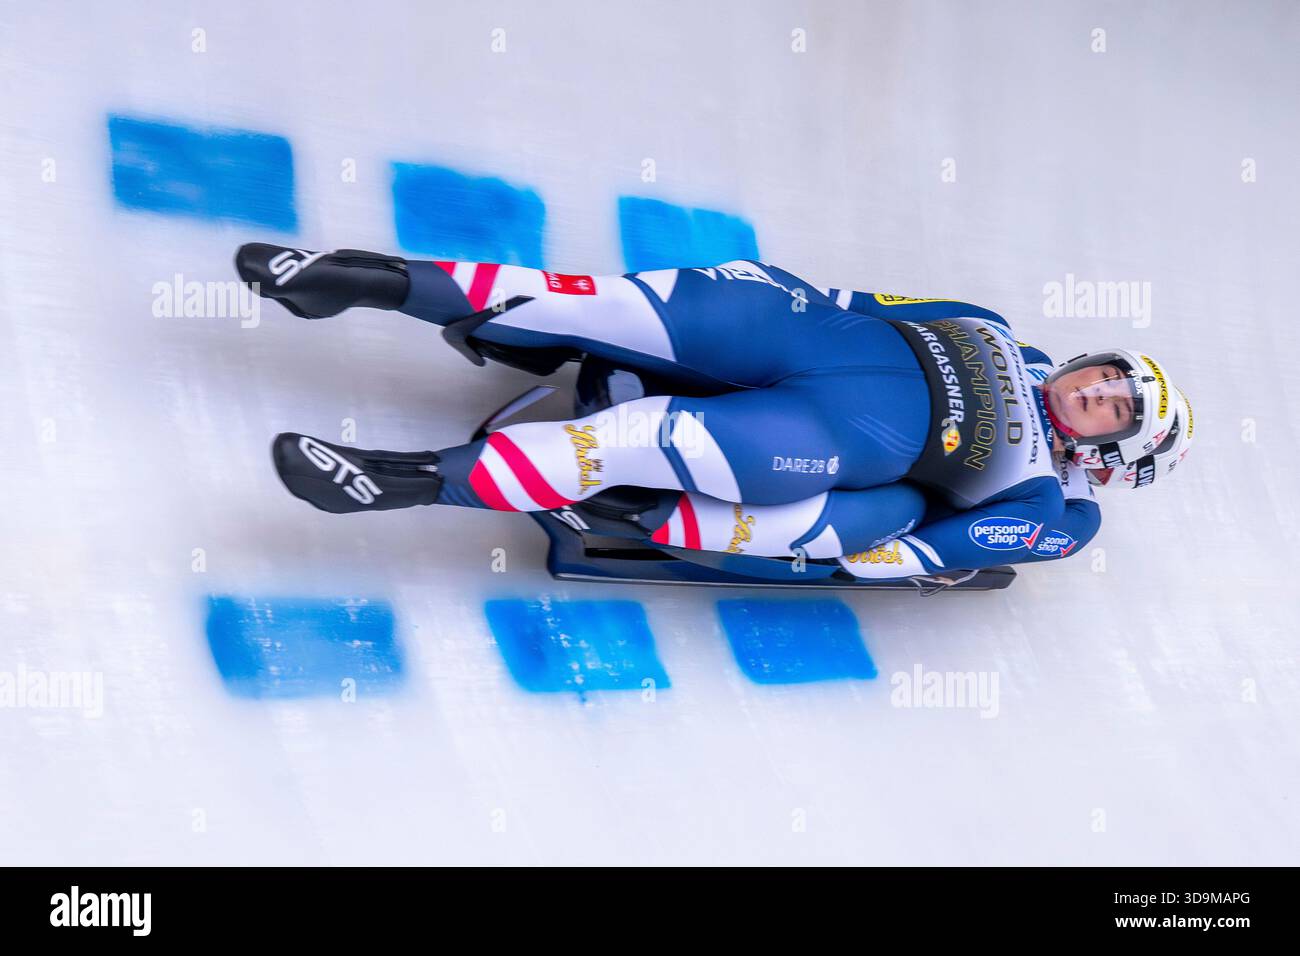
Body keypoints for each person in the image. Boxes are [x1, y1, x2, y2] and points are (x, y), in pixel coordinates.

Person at [235, 244, 1194, 580]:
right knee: (594, 301)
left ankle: (395, 482)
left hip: (830, 449)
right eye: (1108, 375)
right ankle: (361, 279)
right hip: (804, 340)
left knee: (627, 441)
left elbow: (924, 550)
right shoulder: (989, 324)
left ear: (1111, 449)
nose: (1097, 392)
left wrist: (834, 546)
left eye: (1113, 411)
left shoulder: (1047, 504)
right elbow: (861, 307)